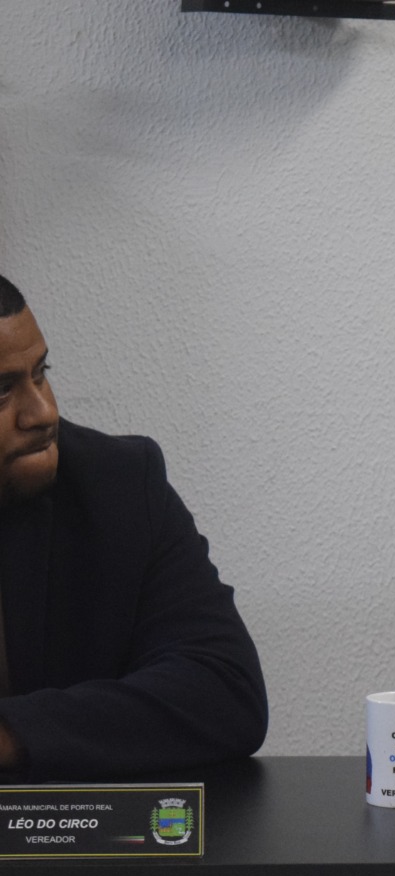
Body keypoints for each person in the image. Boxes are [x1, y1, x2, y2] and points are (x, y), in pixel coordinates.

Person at [0, 273, 268, 782]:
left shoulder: (115, 487)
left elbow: (225, 690)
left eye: (41, 373)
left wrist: (11, 733)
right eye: (1, 392)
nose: (43, 412)